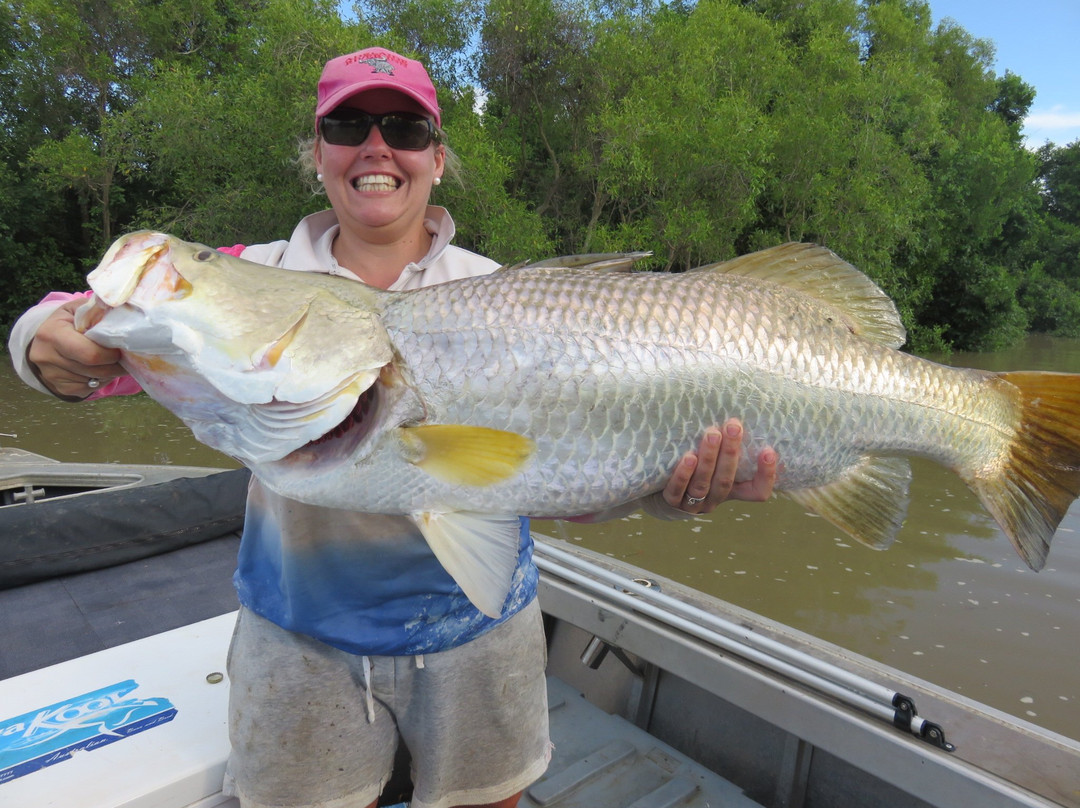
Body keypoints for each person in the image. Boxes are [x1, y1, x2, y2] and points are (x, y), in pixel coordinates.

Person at [9, 48, 778, 808]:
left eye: (406, 129)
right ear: (319, 154)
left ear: (436, 159)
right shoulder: (265, 269)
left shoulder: (497, 291)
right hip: (298, 637)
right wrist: (42, 343)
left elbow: (563, 483)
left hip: (480, 635)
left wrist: (664, 494)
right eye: (348, 125)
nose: (377, 146)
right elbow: (101, 326)